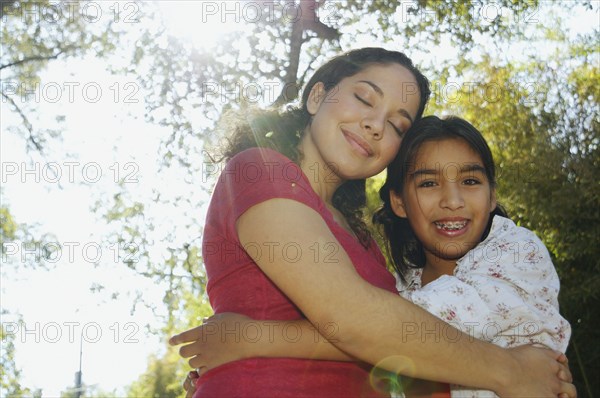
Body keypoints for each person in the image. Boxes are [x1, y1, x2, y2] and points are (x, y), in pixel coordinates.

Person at [169, 48, 575, 398]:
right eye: (364, 99)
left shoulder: (364, 241)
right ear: (316, 96)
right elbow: (350, 317)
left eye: (397, 125)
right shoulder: (261, 169)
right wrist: (512, 371)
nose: (376, 125)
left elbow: (401, 338)